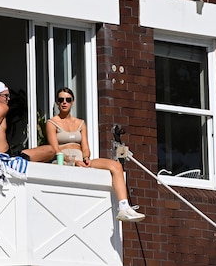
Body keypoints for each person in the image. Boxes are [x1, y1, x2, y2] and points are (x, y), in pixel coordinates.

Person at [46, 87, 145, 223]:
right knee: (65, 159)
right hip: (63, 160)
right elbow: (55, 149)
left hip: (81, 159)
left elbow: (85, 147)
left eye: (68, 100)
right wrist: (73, 162)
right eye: (61, 99)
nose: (64, 102)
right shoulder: (52, 123)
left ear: (73, 102)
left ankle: (124, 207)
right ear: (57, 102)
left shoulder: (80, 123)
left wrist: (86, 158)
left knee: (115, 166)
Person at [0, 81, 56, 162]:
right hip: (4, 158)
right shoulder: (1, 107)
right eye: (6, 96)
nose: (8, 99)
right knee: (50, 150)